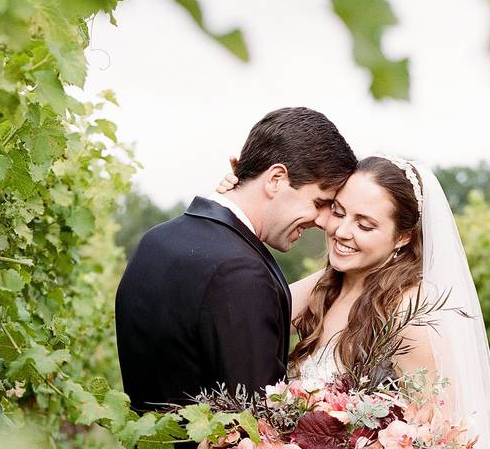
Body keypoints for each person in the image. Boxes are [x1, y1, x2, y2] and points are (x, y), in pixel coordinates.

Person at [217, 155, 490, 447]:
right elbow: (236, 316)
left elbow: (440, 435)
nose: (342, 232)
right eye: (339, 213)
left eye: (364, 225)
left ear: (402, 237)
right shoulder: (322, 288)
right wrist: (239, 205)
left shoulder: (409, 315)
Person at [115, 107, 356, 417]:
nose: (324, 222)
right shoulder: (240, 273)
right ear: (276, 179)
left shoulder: (156, 240)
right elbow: (258, 424)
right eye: (319, 203)